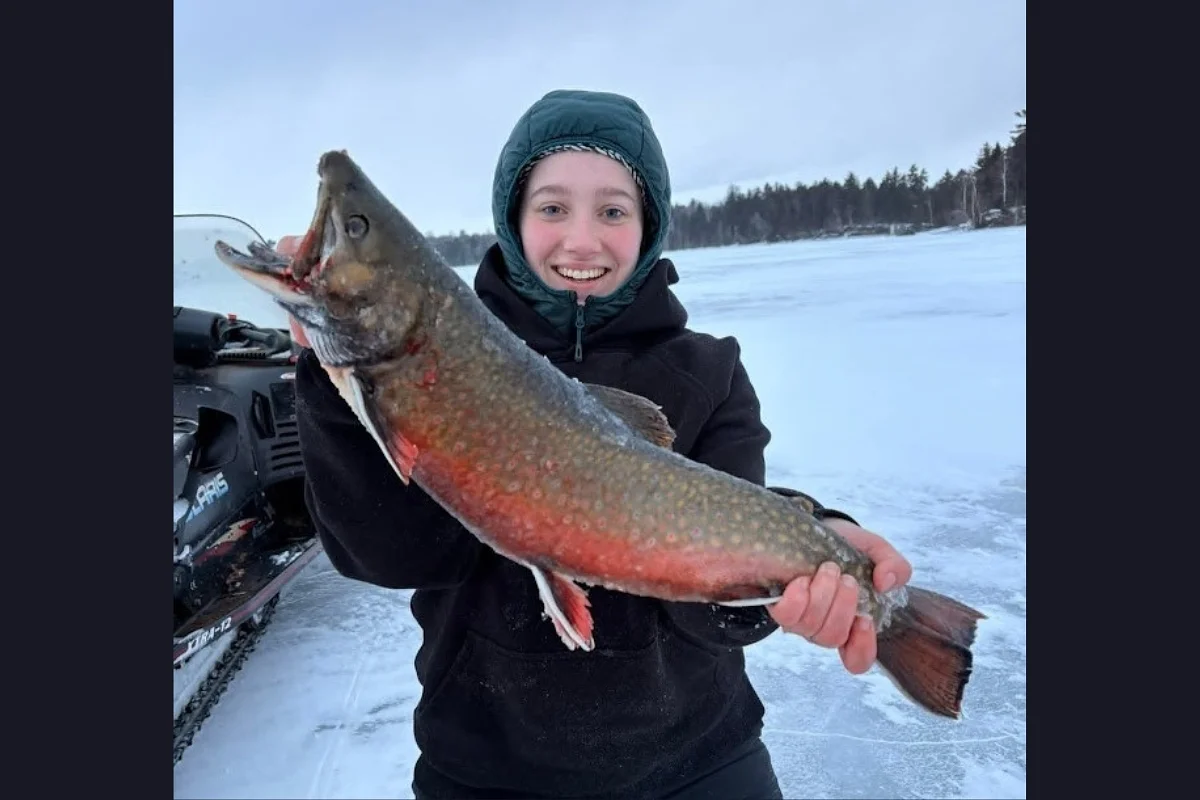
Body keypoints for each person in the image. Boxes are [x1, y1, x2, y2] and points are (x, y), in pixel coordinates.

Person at [284, 89, 913, 800]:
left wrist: (813, 546)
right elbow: (388, 556)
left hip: (700, 760)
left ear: (649, 226)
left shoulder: (709, 373)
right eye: (552, 208)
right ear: (512, 219)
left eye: (613, 211)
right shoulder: (447, 364)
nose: (581, 240)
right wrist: (336, 369)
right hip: (485, 769)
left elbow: (716, 601)